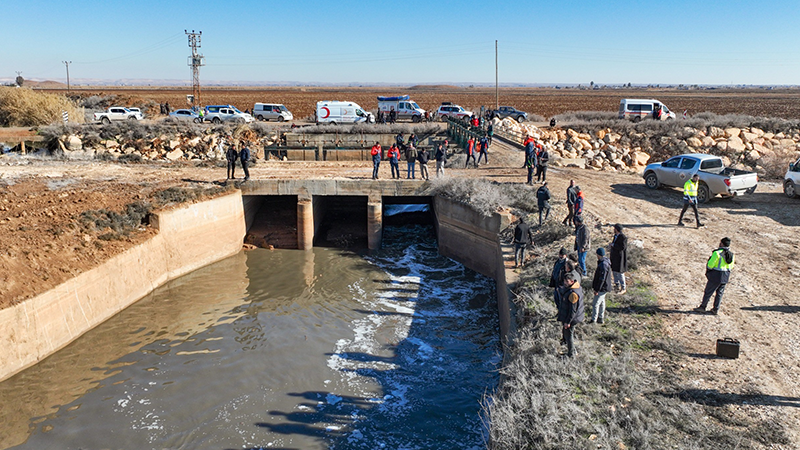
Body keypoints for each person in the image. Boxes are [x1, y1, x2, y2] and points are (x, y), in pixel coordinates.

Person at [694, 237, 735, 315]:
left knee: (708, 292)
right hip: (725, 276)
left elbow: (710, 265)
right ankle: (715, 309)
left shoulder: (717, 253)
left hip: (716, 275)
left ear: (721, 244)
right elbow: (731, 266)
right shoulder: (731, 254)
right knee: (719, 293)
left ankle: (703, 307)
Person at [558, 272, 585, 357]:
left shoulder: (573, 294)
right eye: (564, 281)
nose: (565, 283)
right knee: (567, 334)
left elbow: (572, 311)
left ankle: (572, 353)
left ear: (572, 282)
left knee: (569, 335)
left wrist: (568, 322)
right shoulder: (575, 287)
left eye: (567, 281)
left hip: (572, 318)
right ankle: (571, 349)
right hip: (573, 317)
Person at [591, 248, 613, 324]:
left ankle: (594, 320)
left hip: (602, 288)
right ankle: (600, 318)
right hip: (605, 287)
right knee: (602, 302)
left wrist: (597, 289)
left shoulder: (603, 265)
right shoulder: (606, 262)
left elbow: (601, 279)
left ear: (598, 255)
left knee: (595, 304)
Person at [609, 224, 628, 294]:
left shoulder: (623, 237)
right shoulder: (616, 236)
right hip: (614, 257)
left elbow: (622, 247)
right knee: (614, 271)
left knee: (620, 273)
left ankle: (623, 287)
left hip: (620, 258)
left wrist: (613, 245)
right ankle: (617, 285)